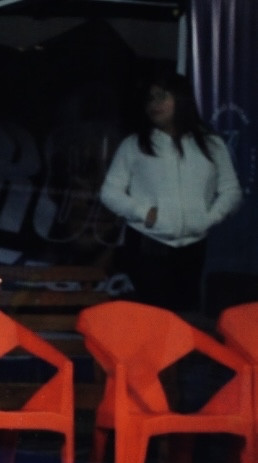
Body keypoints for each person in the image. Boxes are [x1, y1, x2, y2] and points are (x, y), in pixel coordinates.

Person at [99, 70, 242, 314]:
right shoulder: (134, 144)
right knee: (151, 314)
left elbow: (232, 191)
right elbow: (109, 192)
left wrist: (209, 217)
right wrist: (143, 212)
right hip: (147, 243)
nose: (154, 104)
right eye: (150, 99)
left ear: (181, 99)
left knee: (183, 315)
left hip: (193, 246)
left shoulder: (211, 144)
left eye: (162, 96)